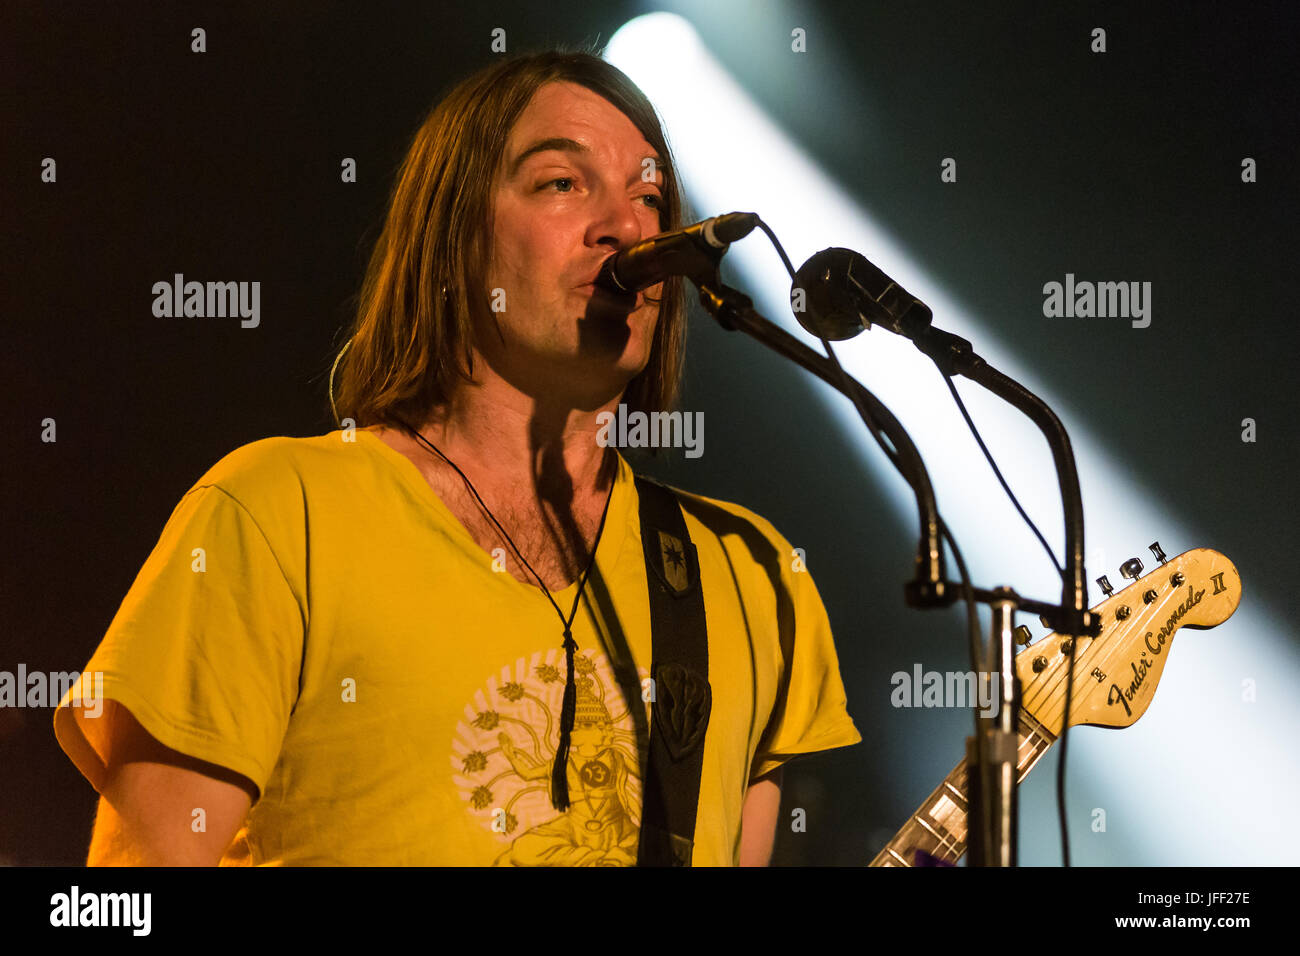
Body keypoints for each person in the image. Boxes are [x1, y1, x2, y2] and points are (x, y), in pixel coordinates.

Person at [53, 48, 861, 866]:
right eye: (561, 183)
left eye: (649, 194)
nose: (628, 226)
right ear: (452, 236)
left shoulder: (752, 574)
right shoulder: (275, 513)